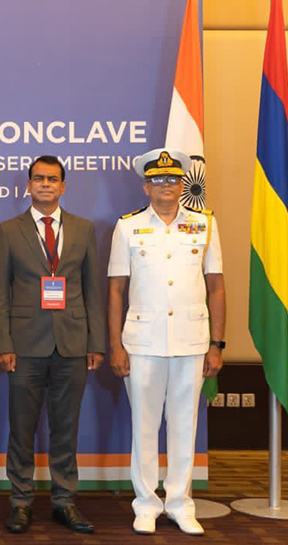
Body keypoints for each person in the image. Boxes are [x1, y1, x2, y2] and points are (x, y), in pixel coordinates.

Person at [107, 148, 225, 536]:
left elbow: (217, 286)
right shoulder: (128, 227)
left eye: (172, 179)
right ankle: (145, 504)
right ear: (146, 186)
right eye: (157, 180)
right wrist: (116, 345)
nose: (166, 186)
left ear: (182, 185)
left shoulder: (205, 223)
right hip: (141, 342)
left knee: (184, 424)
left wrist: (217, 344)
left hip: (192, 341)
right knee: (143, 426)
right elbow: (116, 290)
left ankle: (179, 503)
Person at [0, 155, 104, 534]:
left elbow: (92, 290)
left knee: (65, 428)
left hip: (72, 344)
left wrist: (96, 343)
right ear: (28, 184)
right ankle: (20, 502)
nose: (45, 184)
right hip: (24, 346)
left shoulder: (84, 229)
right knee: (21, 429)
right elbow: (0, 292)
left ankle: (64, 500)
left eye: (52, 179)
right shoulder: (9, 230)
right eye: (38, 178)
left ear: (63, 186)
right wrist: (3, 343)